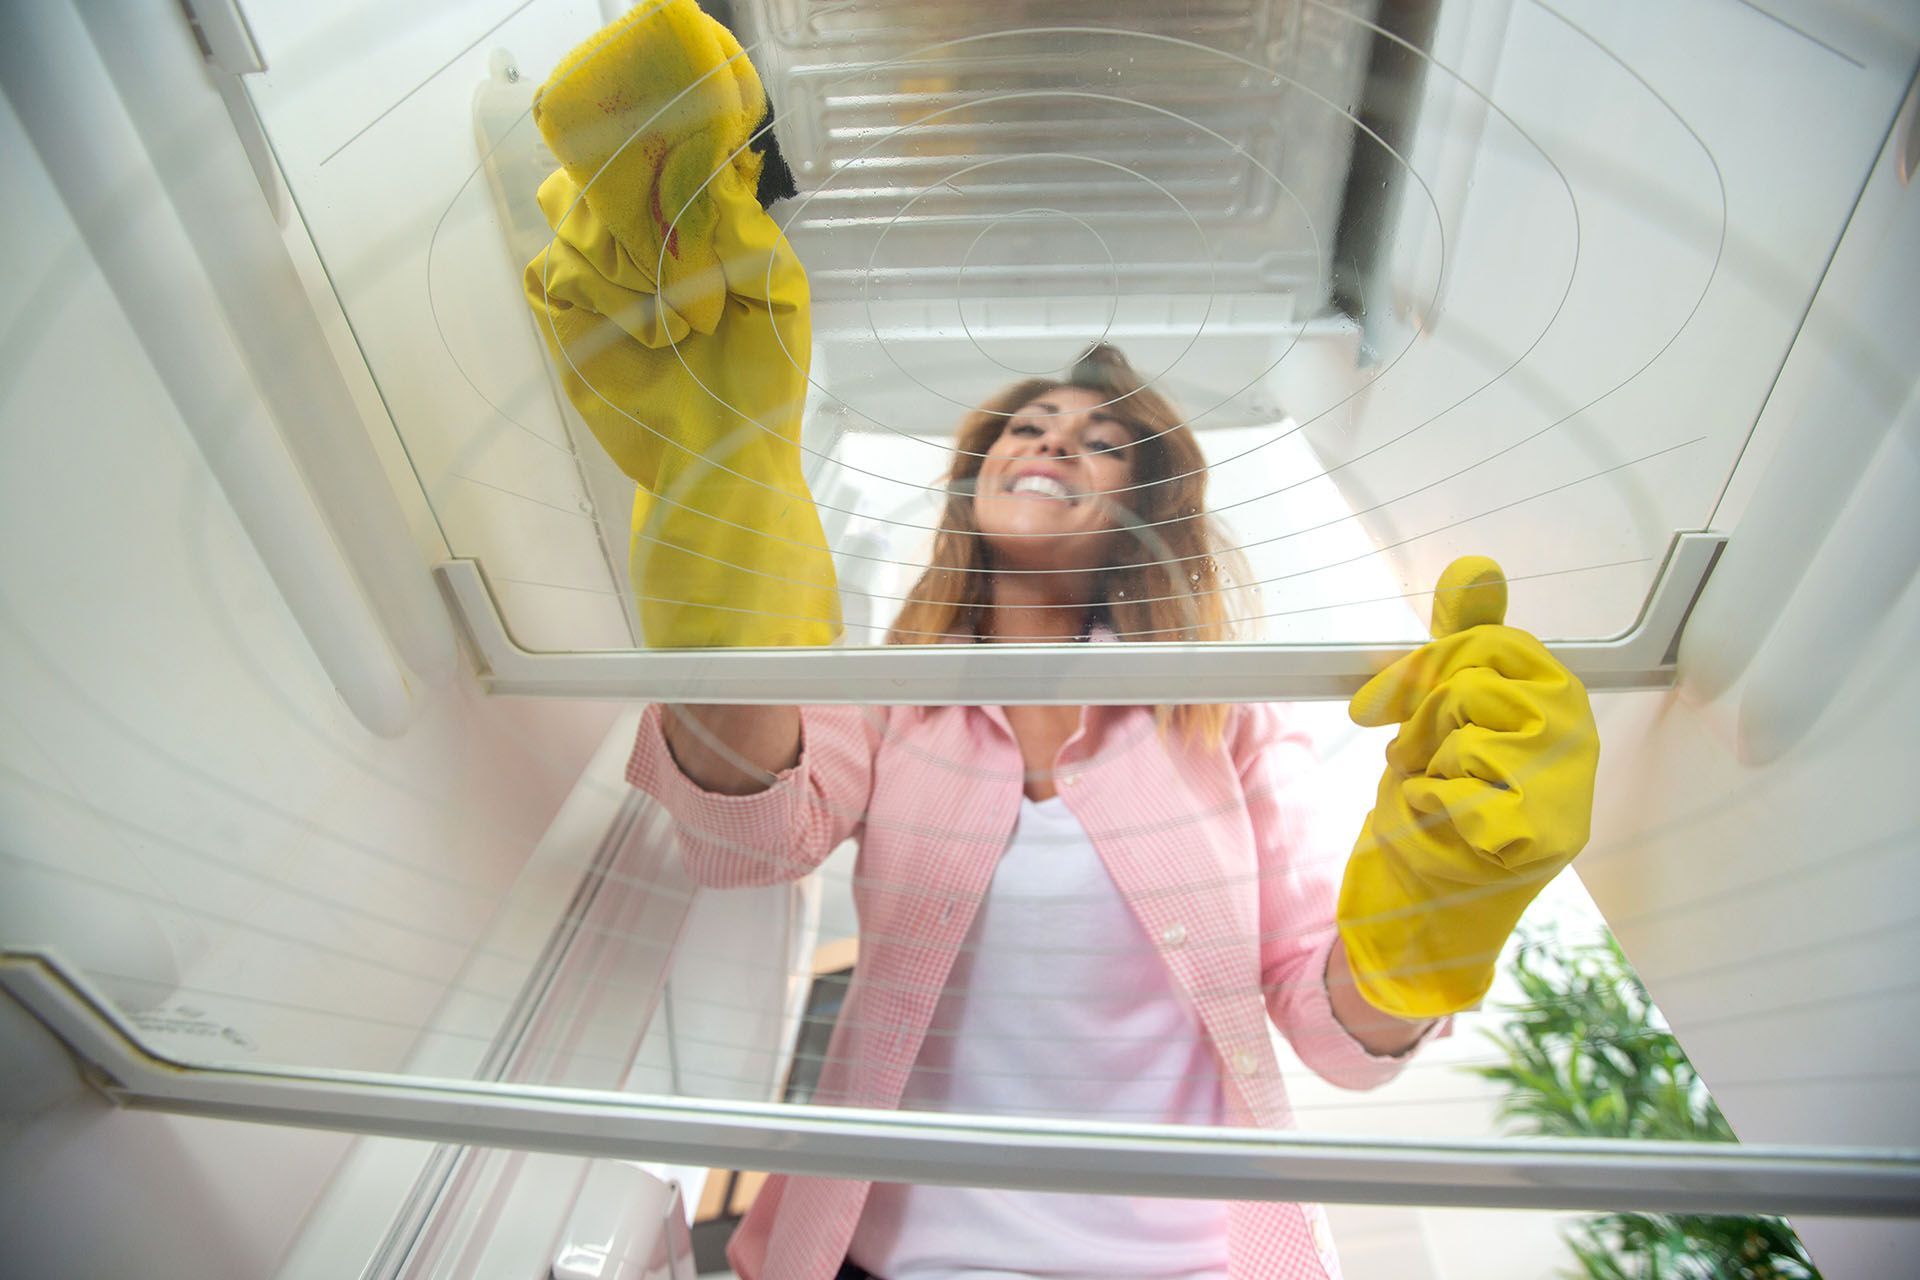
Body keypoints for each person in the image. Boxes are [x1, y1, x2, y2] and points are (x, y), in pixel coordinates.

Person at [527, 7, 1600, 1278]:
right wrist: (726, 488)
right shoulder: (898, 700)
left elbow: (1325, 1025)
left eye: (1100, 440)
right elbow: (749, 836)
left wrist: (1435, 915)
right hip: (881, 1259)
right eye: (1027, 424)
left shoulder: (1227, 722)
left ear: (1143, 515)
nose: (1051, 441)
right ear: (976, 477)